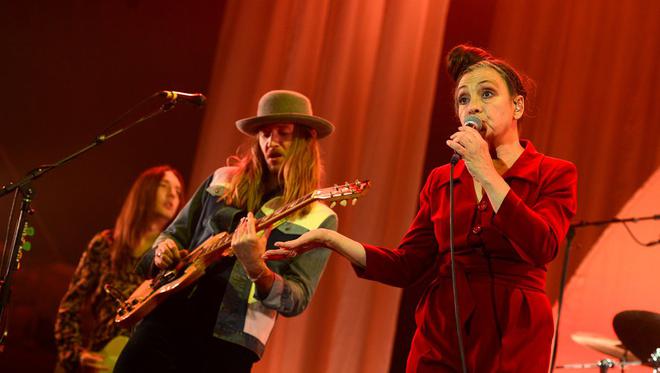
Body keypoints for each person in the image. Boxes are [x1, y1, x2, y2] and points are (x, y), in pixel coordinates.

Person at [267, 45, 578, 372]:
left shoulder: (553, 172)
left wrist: (484, 170)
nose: (473, 106)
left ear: (517, 105)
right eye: (463, 99)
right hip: (443, 325)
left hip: (513, 329)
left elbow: (542, 245)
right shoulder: (442, 180)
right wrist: (333, 240)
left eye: (486, 94)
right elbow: (408, 265)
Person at [114, 90, 338, 372]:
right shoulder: (221, 180)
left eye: (284, 133)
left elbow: (297, 298)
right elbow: (173, 234)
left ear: (306, 140)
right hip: (168, 317)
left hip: (229, 344)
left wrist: (258, 268)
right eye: (265, 133)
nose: (272, 142)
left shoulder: (319, 217)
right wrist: (162, 251)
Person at [54, 165, 185, 372]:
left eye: (178, 192)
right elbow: (70, 307)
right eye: (164, 185)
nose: (172, 194)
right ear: (144, 191)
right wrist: (74, 353)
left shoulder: (172, 254)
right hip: (98, 359)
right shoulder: (105, 243)